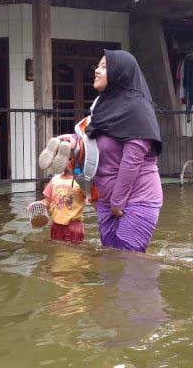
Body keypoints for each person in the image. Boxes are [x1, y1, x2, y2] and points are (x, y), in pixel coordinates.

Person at [58, 50, 163, 253]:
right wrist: (74, 142)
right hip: (107, 200)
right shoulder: (102, 106)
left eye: (104, 66)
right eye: (98, 66)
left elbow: (132, 160)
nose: (97, 70)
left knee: (130, 263)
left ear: (120, 73)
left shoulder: (137, 108)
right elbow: (95, 142)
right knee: (109, 262)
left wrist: (117, 202)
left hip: (137, 199)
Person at [30, 155, 88, 244]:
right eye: (60, 159)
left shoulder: (81, 181)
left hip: (74, 225)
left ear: (76, 162)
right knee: (57, 250)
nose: (63, 162)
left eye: (68, 159)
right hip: (56, 225)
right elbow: (47, 201)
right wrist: (37, 204)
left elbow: (92, 198)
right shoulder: (54, 180)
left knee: (75, 254)